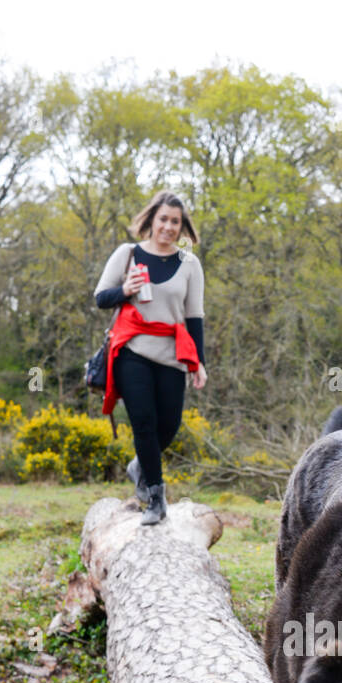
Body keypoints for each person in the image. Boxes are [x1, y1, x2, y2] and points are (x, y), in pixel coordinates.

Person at [93, 190, 207, 525]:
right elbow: (101, 298)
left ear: (182, 226)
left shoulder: (189, 264)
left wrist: (198, 361)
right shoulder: (128, 254)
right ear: (151, 221)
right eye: (163, 220)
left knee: (168, 424)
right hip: (133, 350)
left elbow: (194, 316)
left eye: (175, 221)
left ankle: (140, 466)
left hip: (172, 353)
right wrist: (125, 290)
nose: (168, 227)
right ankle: (155, 498)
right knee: (143, 422)